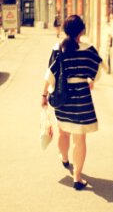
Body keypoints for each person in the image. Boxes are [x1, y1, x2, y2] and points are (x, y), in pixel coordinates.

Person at [41, 15, 102, 190]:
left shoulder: (57, 48)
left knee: (64, 131)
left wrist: (43, 95)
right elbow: (96, 74)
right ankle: (77, 177)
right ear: (82, 31)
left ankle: (64, 158)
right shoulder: (89, 50)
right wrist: (89, 80)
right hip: (81, 98)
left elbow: (50, 74)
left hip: (62, 98)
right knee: (80, 138)